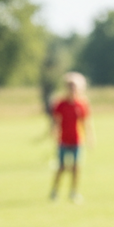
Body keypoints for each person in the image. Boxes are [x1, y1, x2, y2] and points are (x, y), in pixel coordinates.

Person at [49, 72, 93, 204]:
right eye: (69, 87)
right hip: (63, 140)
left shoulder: (82, 104)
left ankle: (74, 192)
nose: (72, 90)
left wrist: (90, 137)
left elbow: (86, 123)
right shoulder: (60, 104)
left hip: (77, 140)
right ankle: (55, 191)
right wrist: (53, 133)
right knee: (61, 167)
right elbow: (56, 121)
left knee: (76, 168)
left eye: (74, 87)